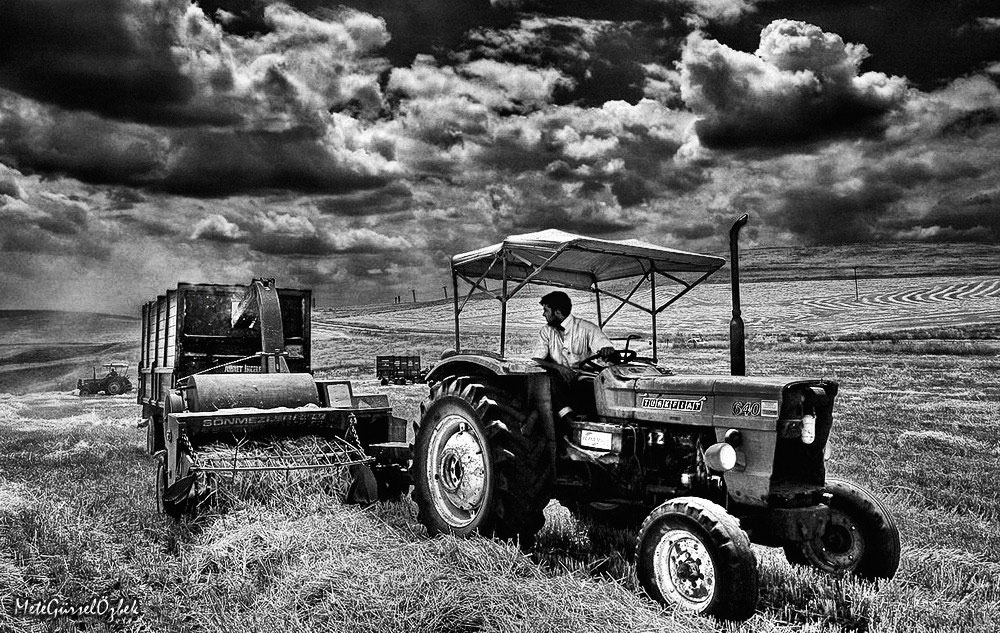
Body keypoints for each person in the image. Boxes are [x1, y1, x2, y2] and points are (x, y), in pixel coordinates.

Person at [531, 291, 616, 383]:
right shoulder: (546, 331)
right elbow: (537, 359)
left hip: (584, 381)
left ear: (557, 312)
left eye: (546, 310)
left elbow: (604, 346)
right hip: (557, 380)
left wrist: (607, 350)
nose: (544, 314)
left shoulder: (588, 329)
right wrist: (559, 367)